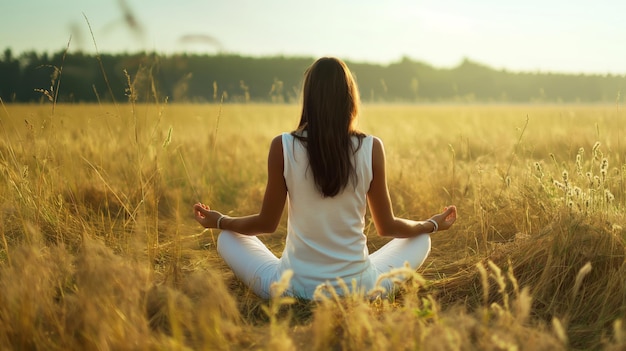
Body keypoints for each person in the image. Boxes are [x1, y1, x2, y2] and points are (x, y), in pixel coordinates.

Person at [193, 57, 457, 300]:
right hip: (361, 288)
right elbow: (386, 227)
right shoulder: (371, 147)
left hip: (290, 287)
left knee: (226, 237)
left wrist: (220, 221)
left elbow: (266, 223)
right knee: (422, 238)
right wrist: (430, 225)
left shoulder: (283, 146)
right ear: (349, 98)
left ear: (309, 98)